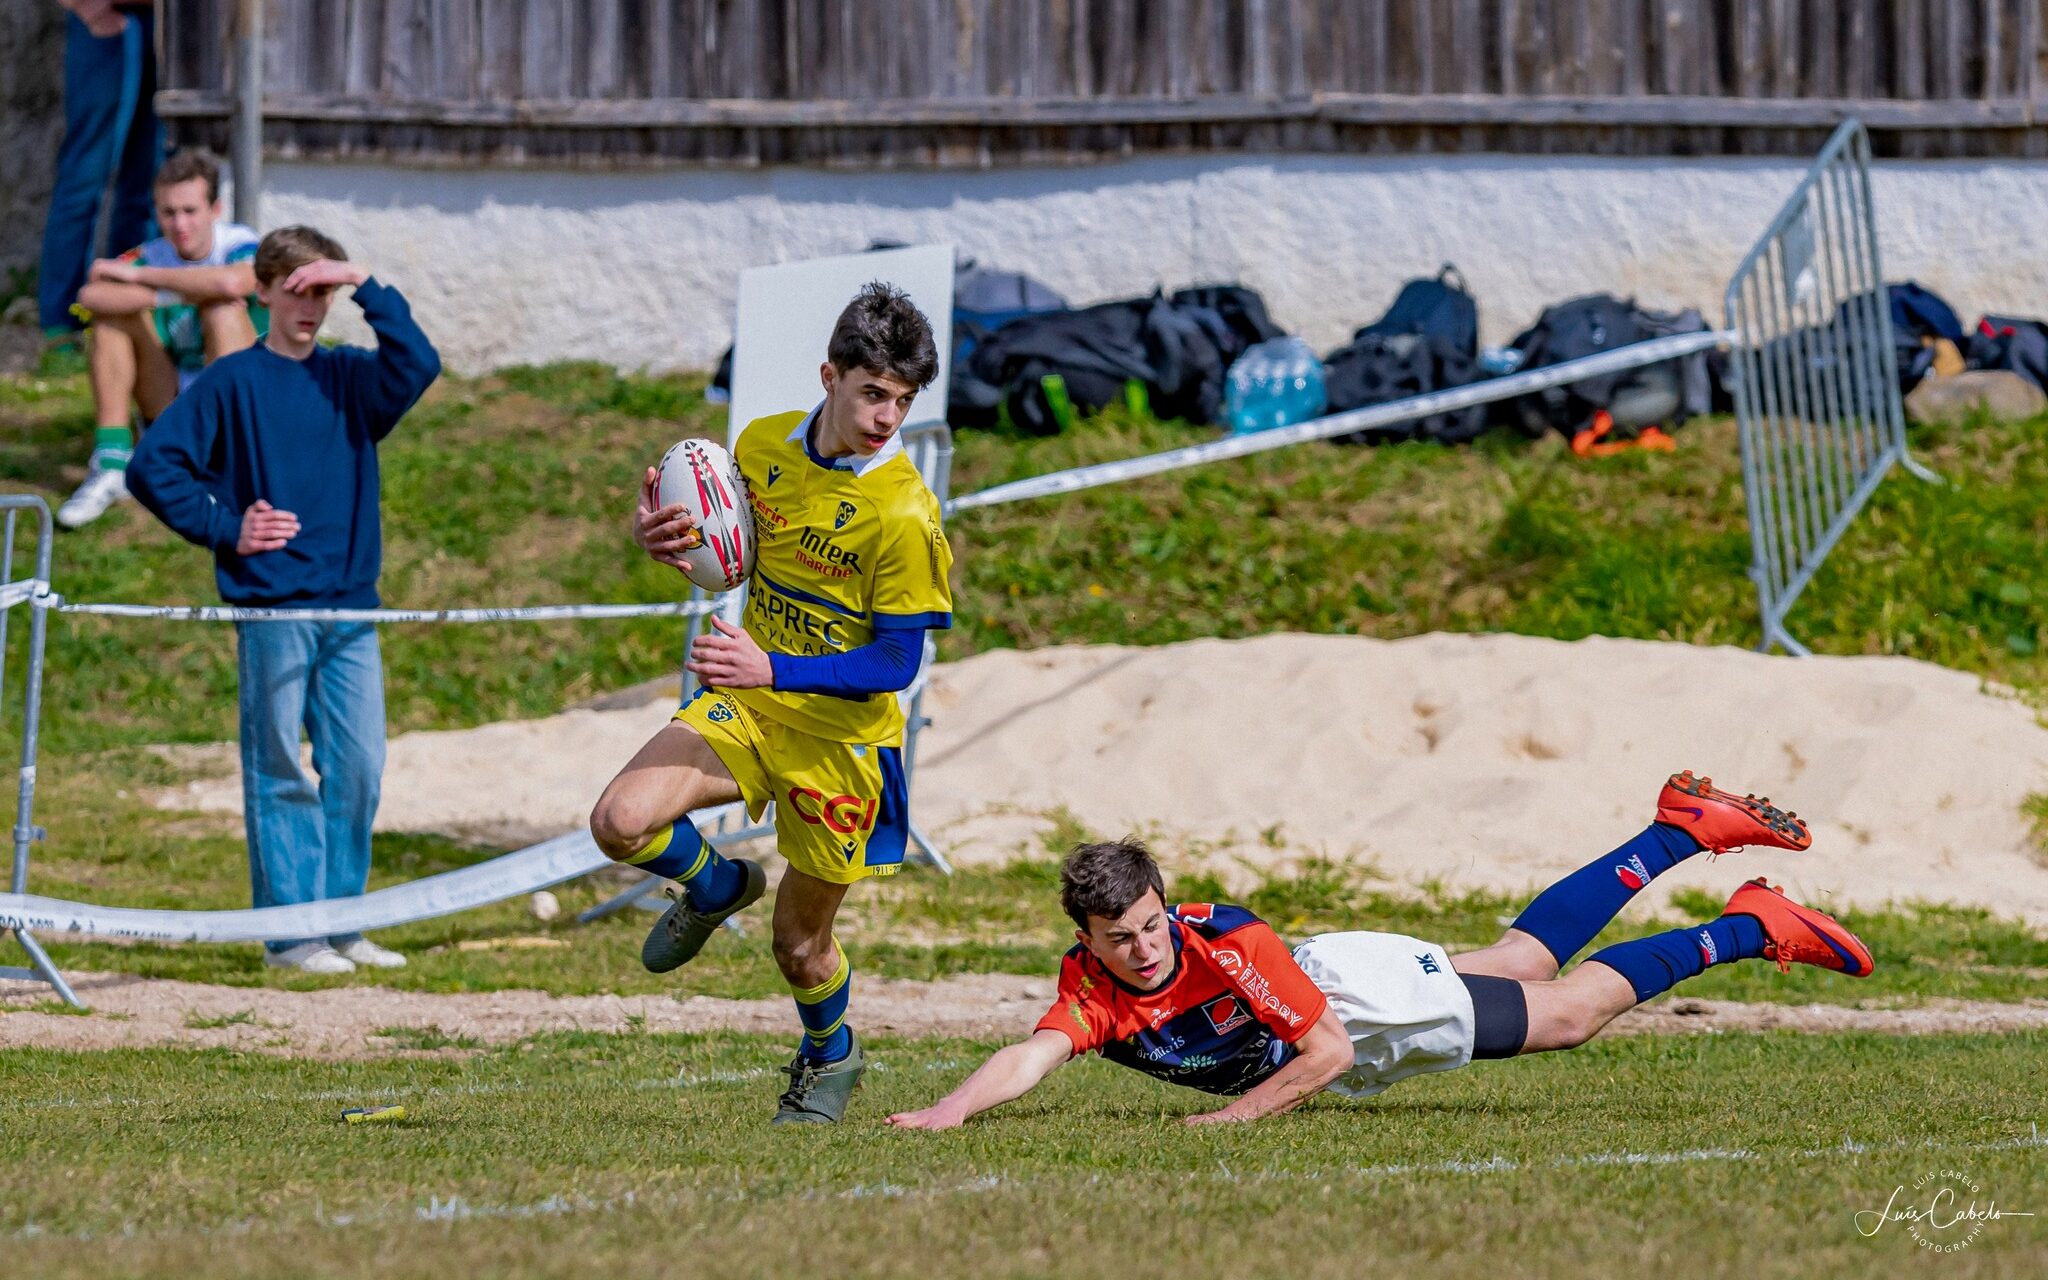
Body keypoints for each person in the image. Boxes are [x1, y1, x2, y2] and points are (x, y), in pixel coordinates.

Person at [887, 772, 1873, 1129]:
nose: (1145, 949)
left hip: (1349, 1003)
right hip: (1345, 981)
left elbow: (1327, 1055)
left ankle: (1748, 923)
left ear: (1164, 905)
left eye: (1152, 925)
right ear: (1086, 941)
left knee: (1564, 1012)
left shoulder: (1222, 939)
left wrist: (1232, 1122)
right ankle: (1680, 829)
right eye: (1120, 940)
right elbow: (1034, 1050)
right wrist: (949, 1106)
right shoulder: (1088, 986)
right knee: (1520, 960)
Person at [590, 281, 951, 1125]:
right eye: (872, 394)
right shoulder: (756, 446)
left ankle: (832, 1054)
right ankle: (716, 886)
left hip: (844, 745)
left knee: (799, 948)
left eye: (901, 401)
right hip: (754, 710)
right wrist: (663, 542)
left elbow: (897, 661)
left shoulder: (903, 513)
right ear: (830, 375)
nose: (886, 418)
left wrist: (773, 668)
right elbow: (728, 555)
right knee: (619, 820)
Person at [128, 226, 442, 975]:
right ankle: (291, 937)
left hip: (350, 610)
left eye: (322, 291)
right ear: (261, 292)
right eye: (296, 289)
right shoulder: (233, 382)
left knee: (359, 767)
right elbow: (153, 467)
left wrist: (364, 281)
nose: (311, 305)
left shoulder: (351, 380)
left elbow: (419, 362)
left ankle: (344, 922)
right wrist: (227, 526)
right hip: (272, 609)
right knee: (280, 769)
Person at [60, 149, 263, 529]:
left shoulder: (239, 242)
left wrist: (139, 279)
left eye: (190, 211)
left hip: (239, 407)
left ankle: (230, 462)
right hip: (169, 401)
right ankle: (112, 464)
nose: (179, 224)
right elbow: (91, 296)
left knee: (223, 311)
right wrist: (176, 292)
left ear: (215, 210)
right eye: (168, 212)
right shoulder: (152, 254)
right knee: (109, 320)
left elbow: (234, 281)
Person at [38, 1, 163, 339]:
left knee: (149, 181)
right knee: (86, 174)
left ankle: (127, 311)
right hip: (107, 16)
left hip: (168, 22)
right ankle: (61, 321)